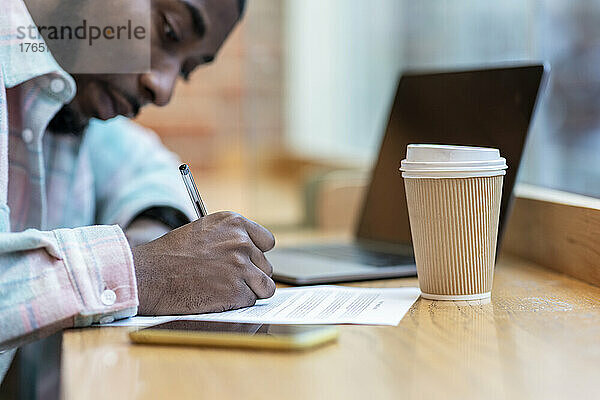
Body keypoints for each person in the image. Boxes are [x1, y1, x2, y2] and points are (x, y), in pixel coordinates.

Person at [0, 0, 277, 382]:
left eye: (186, 69)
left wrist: (154, 231)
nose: (162, 89)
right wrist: (143, 272)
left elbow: (145, 166)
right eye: (169, 31)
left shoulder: (63, 95)